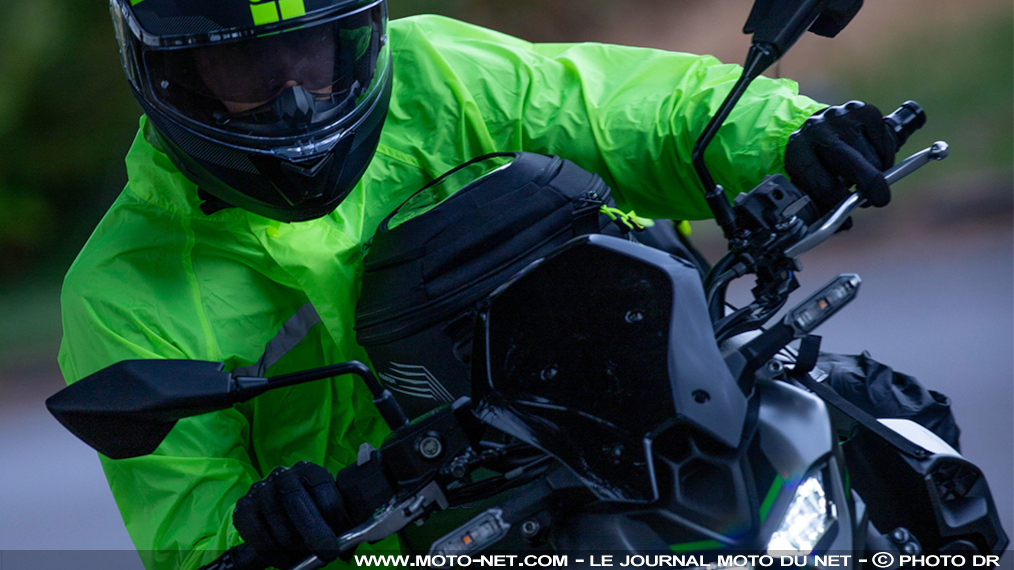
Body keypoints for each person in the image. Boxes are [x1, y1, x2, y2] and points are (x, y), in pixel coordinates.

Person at [58, 0, 916, 568]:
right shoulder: (125, 291)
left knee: (891, 423)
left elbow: (630, 113)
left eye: (313, 55)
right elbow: (195, 540)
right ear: (172, 76)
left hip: (658, 424)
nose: (295, 104)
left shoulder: (439, 72)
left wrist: (794, 134)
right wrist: (272, 530)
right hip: (442, 543)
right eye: (248, 76)